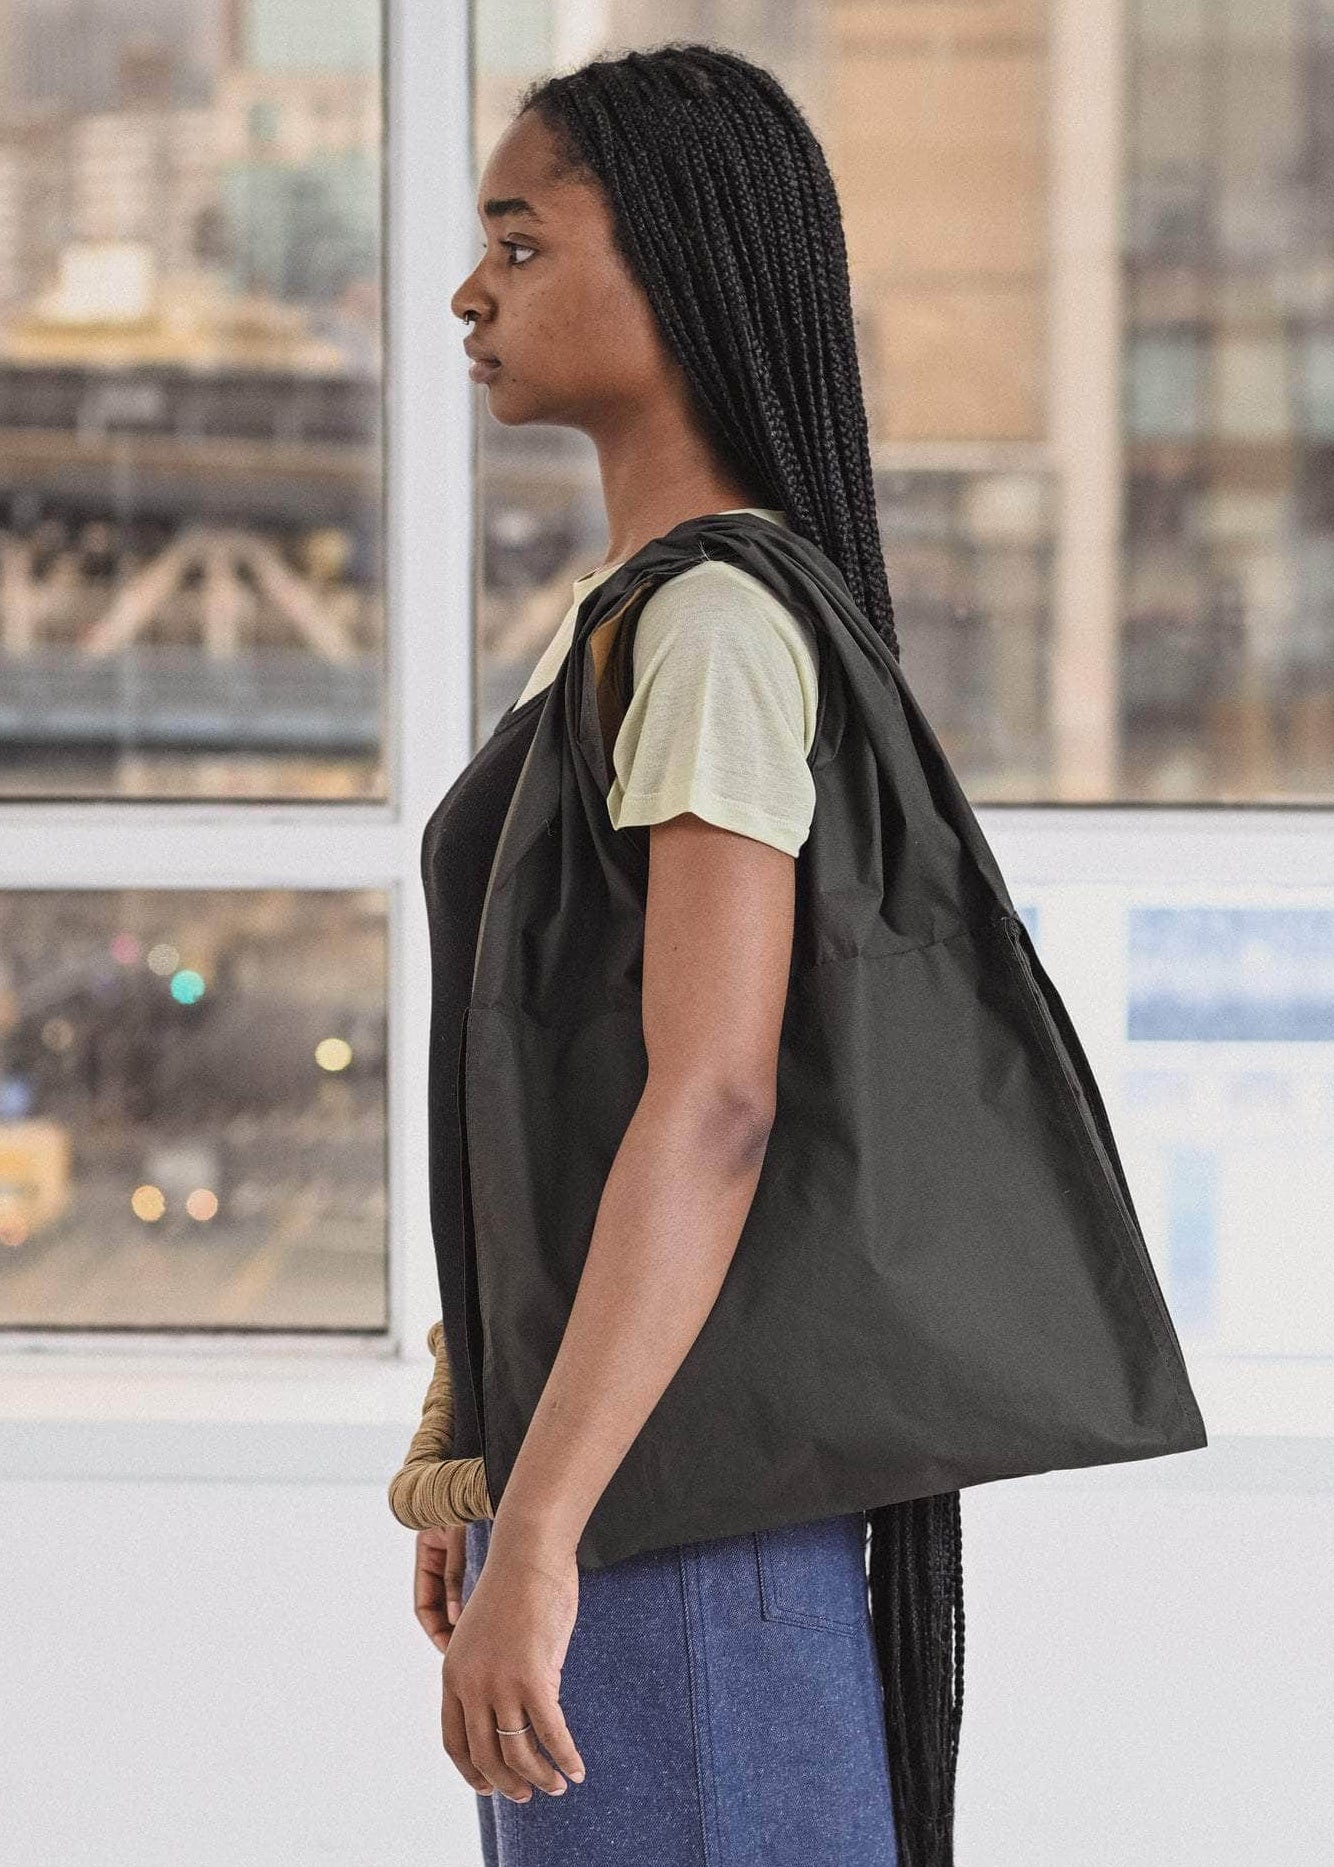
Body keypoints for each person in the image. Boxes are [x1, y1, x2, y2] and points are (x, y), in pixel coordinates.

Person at [418, 44, 924, 1866]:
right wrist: (475, 1449)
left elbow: (711, 1106)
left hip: (665, 1532)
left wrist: (538, 1526)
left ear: (683, 264)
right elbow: (556, 1081)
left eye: (523, 241)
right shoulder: (636, 624)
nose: (472, 291)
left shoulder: (713, 623)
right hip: (627, 1504)